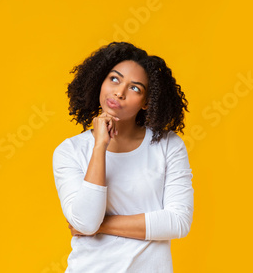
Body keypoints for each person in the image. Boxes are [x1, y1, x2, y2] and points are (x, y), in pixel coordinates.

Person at [52, 41, 194, 272]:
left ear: (147, 102)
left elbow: (177, 223)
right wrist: (100, 146)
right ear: (101, 80)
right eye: (114, 79)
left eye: (135, 88)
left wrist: (100, 226)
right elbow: (86, 221)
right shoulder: (70, 151)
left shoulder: (168, 146)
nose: (119, 92)